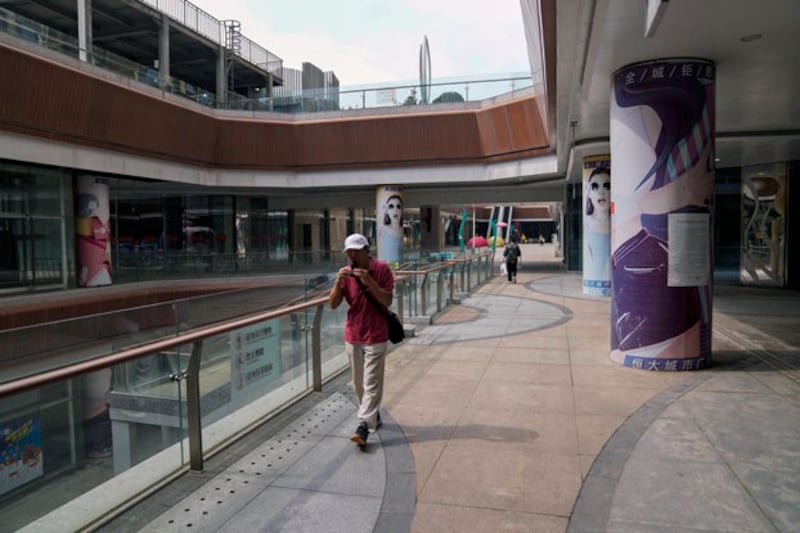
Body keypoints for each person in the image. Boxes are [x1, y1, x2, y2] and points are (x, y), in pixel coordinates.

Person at [329, 233, 394, 447]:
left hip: (376, 335)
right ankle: (372, 415)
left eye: (357, 251)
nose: (353, 255)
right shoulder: (345, 274)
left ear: (367, 251)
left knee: (371, 383)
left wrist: (368, 280)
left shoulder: (382, 269)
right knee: (358, 383)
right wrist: (338, 284)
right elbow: (333, 304)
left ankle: (363, 426)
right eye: (349, 252)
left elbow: (386, 300)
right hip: (353, 334)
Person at [377, 194, 403, 262]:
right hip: (385, 265)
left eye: (398, 206)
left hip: (398, 265)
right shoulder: (382, 229)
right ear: (387, 211)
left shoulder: (401, 230)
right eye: (391, 206)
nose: (395, 210)